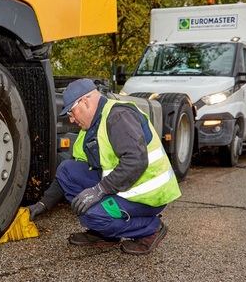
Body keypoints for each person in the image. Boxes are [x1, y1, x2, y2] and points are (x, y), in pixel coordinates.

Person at [28, 78, 181, 255]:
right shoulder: (89, 129)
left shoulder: (118, 116)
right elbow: (67, 175)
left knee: (93, 214)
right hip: (123, 187)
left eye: (71, 112)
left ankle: (150, 228)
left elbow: (136, 161)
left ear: (85, 101)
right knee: (67, 169)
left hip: (147, 196)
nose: (71, 119)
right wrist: (42, 204)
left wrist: (99, 190)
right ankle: (105, 234)